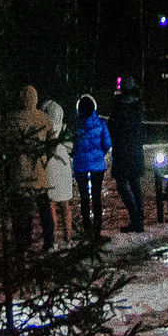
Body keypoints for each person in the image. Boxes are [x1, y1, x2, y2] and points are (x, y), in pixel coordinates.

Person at [7, 87, 54, 253]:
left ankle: (23, 242)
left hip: (20, 172)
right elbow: (52, 143)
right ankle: (49, 241)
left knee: (22, 210)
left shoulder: (12, 119)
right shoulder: (44, 118)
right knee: (44, 208)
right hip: (39, 171)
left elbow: (7, 144)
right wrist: (44, 158)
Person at [106, 78, 147, 235]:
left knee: (122, 184)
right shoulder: (138, 105)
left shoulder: (118, 105)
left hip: (123, 149)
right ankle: (138, 219)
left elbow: (112, 126)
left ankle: (135, 217)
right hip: (135, 148)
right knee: (135, 183)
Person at [67, 95, 109, 240]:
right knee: (97, 197)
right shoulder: (101, 123)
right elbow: (107, 143)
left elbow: (70, 144)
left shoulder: (75, 125)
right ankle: (97, 230)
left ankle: (86, 228)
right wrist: (99, 155)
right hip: (97, 165)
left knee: (84, 197)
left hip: (80, 165)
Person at [43, 101, 75, 246]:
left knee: (52, 205)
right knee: (65, 204)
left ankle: (53, 240)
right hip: (63, 167)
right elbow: (71, 147)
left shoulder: (43, 131)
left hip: (50, 166)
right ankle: (68, 238)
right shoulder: (64, 130)